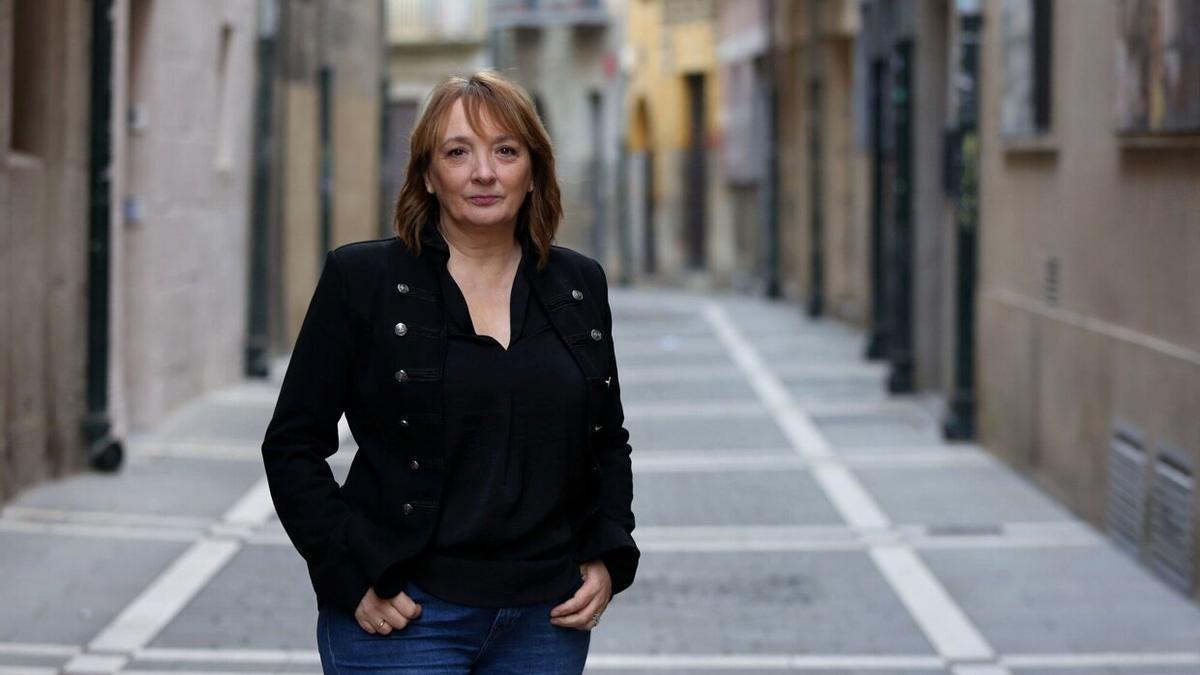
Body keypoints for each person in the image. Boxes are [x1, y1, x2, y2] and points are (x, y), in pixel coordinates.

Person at [260, 70, 639, 674]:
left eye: (506, 151)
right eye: (458, 152)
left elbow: (607, 440)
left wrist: (609, 553)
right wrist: (347, 571)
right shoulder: (364, 282)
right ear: (428, 175)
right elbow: (292, 445)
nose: (483, 173)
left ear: (534, 171)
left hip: (546, 621)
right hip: (406, 615)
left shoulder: (579, 285)